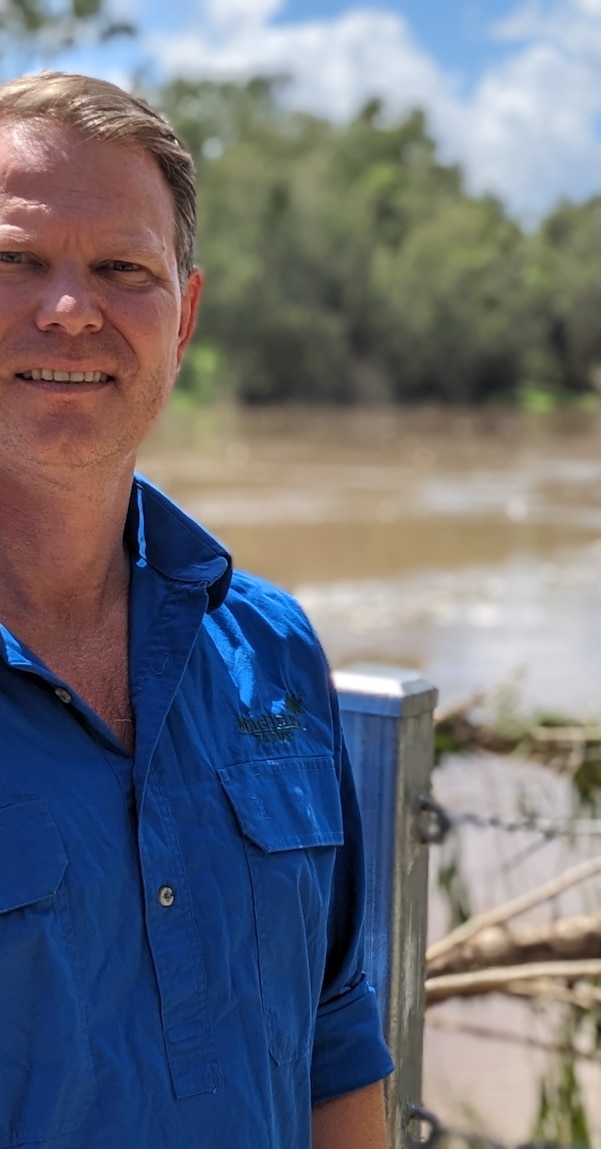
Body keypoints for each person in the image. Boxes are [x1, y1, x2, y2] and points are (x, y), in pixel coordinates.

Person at [0, 71, 393, 1148]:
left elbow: (334, 1039)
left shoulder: (274, 652)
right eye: (13, 260)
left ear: (184, 318)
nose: (69, 309)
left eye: (123, 269)